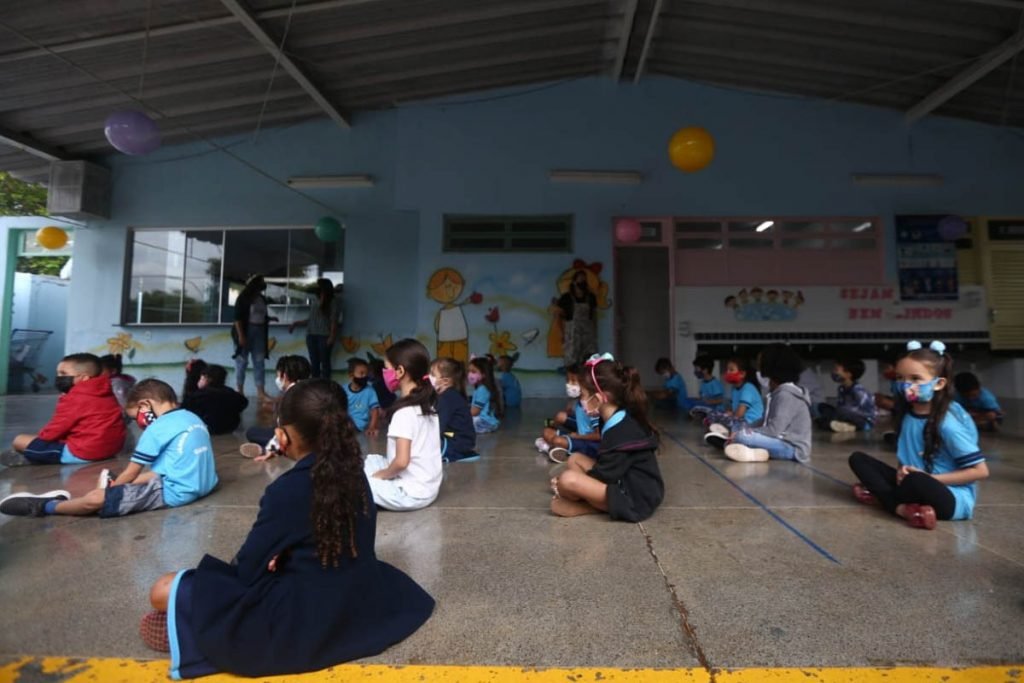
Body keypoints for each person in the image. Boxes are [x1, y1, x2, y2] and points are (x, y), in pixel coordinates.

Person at [139, 379, 435, 678]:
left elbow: (247, 569)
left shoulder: (288, 490)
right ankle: (186, 623)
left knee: (163, 589)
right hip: (358, 594)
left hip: (305, 614)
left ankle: (186, 626)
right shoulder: (355, 474)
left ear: (284, 435)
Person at [0, 379, 217, 518]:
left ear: (145, 405)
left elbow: (133, 472)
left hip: (175, 492)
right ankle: (110, 484)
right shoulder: (191, 417)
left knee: (96, 500)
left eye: (136, 418)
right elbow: (172, 465)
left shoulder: (156, 429)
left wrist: (109, 492)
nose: (141, 423)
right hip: (200, 483)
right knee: (140, 477)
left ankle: (47, 506)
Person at [848, 340, 989, 530]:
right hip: (913, 482)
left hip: (950, 498)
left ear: (938, 384)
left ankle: (893, 504)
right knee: (858, 459)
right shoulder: (907, 416)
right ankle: (904, 506)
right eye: (900, 378)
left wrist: (930, 479)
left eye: (915, 379)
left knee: (916, 480)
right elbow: (907, 457)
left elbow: (980, 471)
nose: (906, 385)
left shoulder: (947, 424)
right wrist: (900, 471)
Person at [549, 354, 663, 521]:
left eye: (583, 395)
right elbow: (607, 467)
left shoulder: (621, 431)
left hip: (636, 498)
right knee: (575, 459)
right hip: (622, 479)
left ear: (598, 399)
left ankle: (591, 506)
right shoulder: (613, 417)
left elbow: (605, 475)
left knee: (567, 480)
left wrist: (565, 485)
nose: (580, 400)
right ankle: (590, 504)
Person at [363, 339, 442, 511]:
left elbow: (401, 462)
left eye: (386, 369)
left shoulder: (403, 413)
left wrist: (380, 476)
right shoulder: (427, 404)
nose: (383, 373)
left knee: (357, 483)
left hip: (410, 494)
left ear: (399, 371)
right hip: (429, 487)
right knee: (371, 460)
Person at [6, 353, 125, 466]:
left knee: (20, 440)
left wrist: (39, 439)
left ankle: (34, 457)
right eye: (58, 373)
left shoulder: (76, 397)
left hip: (84, 452)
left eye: (63, 373)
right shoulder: (104, 391)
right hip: (110, 450)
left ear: (84, 378)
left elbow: (55, 429)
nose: (59, 377)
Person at [723, 344, 812, 463]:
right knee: (739, 430)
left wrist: (744, 433)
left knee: (742, 437)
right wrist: (744, 428)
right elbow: (763, 420)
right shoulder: (776, 393)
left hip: (792, 448)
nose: (758, 371)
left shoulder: (786, 395)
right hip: (779, 441)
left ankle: (748, 448)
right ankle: (756, 452)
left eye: (761, 367)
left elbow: (774, 430)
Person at [239, 356, 311, 460]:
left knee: (252, 432)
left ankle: (267, 449)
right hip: (314, 439)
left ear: (284, 376)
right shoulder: (312, 389)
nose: (277, 379)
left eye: (278, 375)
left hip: (297, 441)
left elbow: (284, 429)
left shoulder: (289, 397)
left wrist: (270, 450)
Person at [536, 365, 600, 465]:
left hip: (589, 443)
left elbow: (598, 435)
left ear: (585, 383)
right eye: (567, 380)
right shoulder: (580, 401)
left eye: (573, 381)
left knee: (557, 440)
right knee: (547, 432)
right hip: (579, 436)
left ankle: (554, 450)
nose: (568, 384)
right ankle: (556, 450)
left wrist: (578, 436)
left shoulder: (592, 406)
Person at [697, 357, 764, 448]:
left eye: (731, 370)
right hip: (740, 419)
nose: (728, 373)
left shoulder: (748, 388)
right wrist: (729, 413)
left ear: (742, 374)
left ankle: (729, 439)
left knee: (723, 419)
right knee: (714, 415)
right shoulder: (734, 389)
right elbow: (734, 409)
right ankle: (724, 436)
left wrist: (729, 415)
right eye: (727, 370)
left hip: (751, 423)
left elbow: (739, 413)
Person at [232, 274, 276, 400]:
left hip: (259, 331)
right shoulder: (244, 297)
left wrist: (269, 319)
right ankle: (239, 390)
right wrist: (241, 335)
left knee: (259, 362)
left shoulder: (261, 298)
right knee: (242, 362)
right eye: (261, 282)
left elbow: (261, 315)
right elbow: (238, 318)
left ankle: (261, 392)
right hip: (246, 330)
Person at [289, 278, 341, 380]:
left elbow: (334, 320)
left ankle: (325, 385)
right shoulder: (316, 300)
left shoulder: (332, 302)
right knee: (314, 362)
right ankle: (315, 384)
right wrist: (296, 323)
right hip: (311, 335)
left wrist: (332, 336)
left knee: (325, 362)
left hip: (324, 335)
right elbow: (312, 318)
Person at [429, 358, 479, 463]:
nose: (429, 377)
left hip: (457, 441)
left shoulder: (447, 398)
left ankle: (454, 454)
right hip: (458, 439)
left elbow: (439, 426)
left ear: (445, 381)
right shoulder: (447, 396)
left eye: (432, 374)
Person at [182, 365, 249, 435]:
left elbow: (185, 409)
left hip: (208, 428)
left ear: (208, 379)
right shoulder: (230, 392)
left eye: (201, 378)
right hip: (230, 427)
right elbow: (244, 403)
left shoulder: (199, 395)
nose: (199, 381)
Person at [817, 358, 875, 432]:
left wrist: (846, 411)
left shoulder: (858, 391)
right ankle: (838, 424)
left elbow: (868, 414)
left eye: (836, 370)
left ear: (848, 374)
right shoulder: (841, 388)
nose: (834, 373)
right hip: (844, 416)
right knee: (822, 406)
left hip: (861, 420)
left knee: (841, 411)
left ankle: (847, 426)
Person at [556, 269, 598, 368]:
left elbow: (594, 316)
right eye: (580, 280)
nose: (582, 282)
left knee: (589, 360)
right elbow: (558, 317)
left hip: (588, 336)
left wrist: (595, 333)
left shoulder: (591, 297)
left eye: (584, 280)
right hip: (572, 335)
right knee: (572, 362)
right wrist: (562, 334)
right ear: (574, 282)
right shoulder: (566, 298)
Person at [343, 358, 381, 435]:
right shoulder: (343, 389)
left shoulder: (370, 391)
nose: (364, 376)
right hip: (343, 424)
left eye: (366, 374)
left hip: (358, 426)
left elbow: (374, 411)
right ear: (351, 375)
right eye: (361, 373)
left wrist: (372, 427)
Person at [467, 356, 502, 434]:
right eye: (469, 371)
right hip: (487, 422)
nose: (469, 374)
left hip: (484, 422)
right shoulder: (482, 388)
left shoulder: (482, 390)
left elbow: (475, 411)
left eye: (473, 371)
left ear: (484, 374)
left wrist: (460, 413)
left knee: (459, 425)